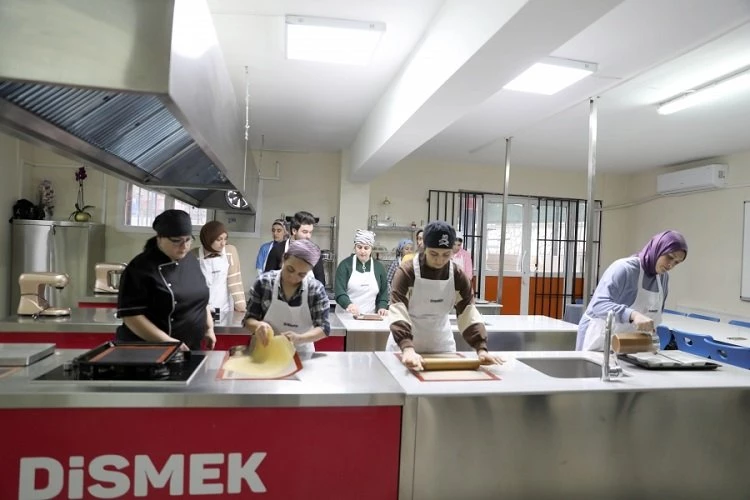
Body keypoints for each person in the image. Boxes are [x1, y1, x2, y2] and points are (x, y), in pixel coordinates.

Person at [387, 221, 501, 370]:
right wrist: (407, 348)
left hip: (441, 345)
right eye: (434, 254)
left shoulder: (458, 276)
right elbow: (398, 310)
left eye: (446, 255)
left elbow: (468, 313)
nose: (440, 260)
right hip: (404, 345)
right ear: (424, 248)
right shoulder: (407, 272)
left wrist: (481, 349)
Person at [116, 209, 215, 351]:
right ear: (159, 238)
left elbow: (201, 300)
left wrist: (208, 328)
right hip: (151, 350)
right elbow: (131, 317)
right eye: (176, 241)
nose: (184, 246)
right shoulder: (139, 268)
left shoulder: (190, 260)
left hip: (189, 348)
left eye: (188, 240)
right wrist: (168, 342)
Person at [577, 230, 688, 351]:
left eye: (677, 262)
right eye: (669, 257)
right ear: (658, 248)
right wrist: (633, 315)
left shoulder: (663, 278)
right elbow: (598, 305)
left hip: (628, 345)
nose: (670, 265)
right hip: (598, 339)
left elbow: (656, 316)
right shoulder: (625, 269)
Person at [244, 239, 330, 354]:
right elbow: (248, 320)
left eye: (301, 274)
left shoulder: (315, 289)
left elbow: (324, 328)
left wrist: (299, 338)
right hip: (264, 352)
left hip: (300, 354)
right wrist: (258, 326)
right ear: (284, 259)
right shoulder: (264, 282)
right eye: (290, 269)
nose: (293, 277)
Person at [193, 221, 246, 317]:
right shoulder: (194, 254)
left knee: (221, 326)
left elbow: (235, 282)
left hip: (224, 308)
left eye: (225, 239)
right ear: (208, 239)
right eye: (219, 240)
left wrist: (242, 307)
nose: (223, 243)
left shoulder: (230, 251)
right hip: (201, 309)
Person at [335, 229, 389, 316]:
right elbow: (339, 292)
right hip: (346, 316)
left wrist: (382, 307)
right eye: (359, 247)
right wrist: (348, 305)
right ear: (355, 247)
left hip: (369, 317)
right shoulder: (345, 265)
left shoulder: (379, 268)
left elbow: (383, 294)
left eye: (366, 248)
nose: (362, 251)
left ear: (371, 249)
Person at [264, 211, 326, 287]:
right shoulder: (277, 250)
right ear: (294, 231)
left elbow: (321, 282)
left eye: (310, 232)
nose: (308, 236)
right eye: (305, 232)